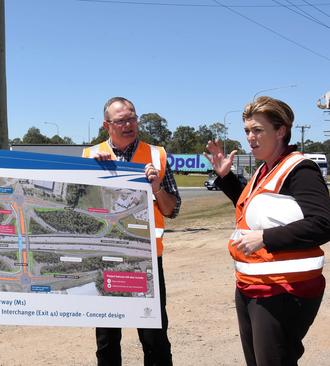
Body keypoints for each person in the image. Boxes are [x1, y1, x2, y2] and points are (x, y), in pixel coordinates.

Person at [205, 96, 330, 366]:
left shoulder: (300, 169)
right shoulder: (264, 170)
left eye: (258, 130)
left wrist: (265, 238)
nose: (250, 137)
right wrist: (226, 178)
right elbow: (254, 211)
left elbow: (323, 223)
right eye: (248, 131)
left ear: (281, 130)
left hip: (284, 290)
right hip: (252, 286)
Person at [82, 96, 180, 366]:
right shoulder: (90, 156)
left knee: (154, 338)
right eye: (121, 120)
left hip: (145, 261)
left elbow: (172, 210)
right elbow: (76, 208)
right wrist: (91, 173)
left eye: (132, 118)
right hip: (104, 260)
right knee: (107, 340)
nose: (129, 125)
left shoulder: (156, 155)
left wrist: (157, 187)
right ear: (107, 125)